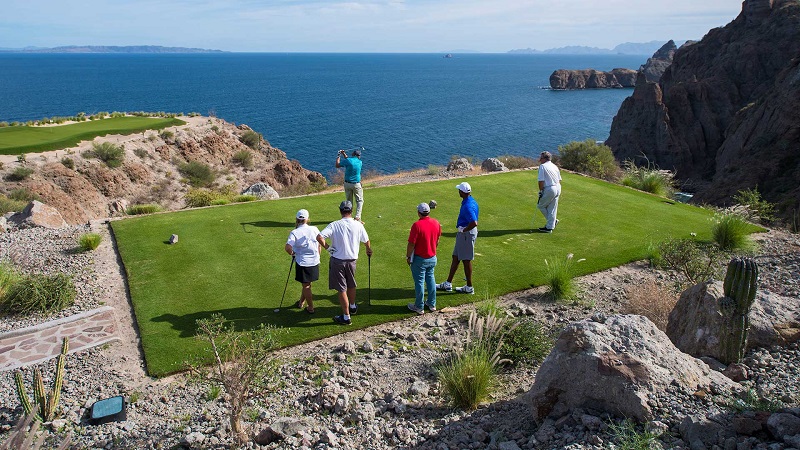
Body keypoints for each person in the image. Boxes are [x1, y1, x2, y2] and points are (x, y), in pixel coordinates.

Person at [317, 200, 373, 325]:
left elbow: (319, 237)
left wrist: (328, 248)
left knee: (342, 288)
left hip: (338, 260)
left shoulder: (334, 225)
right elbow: (366, 240)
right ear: (351, 211)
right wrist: (368, 250)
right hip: (352, 260)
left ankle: (346, 317)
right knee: (351, 284)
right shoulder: (358, 224)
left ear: (340, 210)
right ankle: (352, 306)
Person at [437, 182, 478, 294]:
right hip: (464, 234)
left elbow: (474, 222)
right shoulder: (470, 200)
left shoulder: (468, 205)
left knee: (466, 260)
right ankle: (448, 283)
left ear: (463, 192)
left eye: (459, 190)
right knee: (455, 257)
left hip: (466, 234)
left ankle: (469, 287)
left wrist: (464, 230)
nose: (458, 191)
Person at [406, 202, 442, 314]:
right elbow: (437, 240)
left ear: (419, 213)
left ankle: (419, 306)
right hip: (432, 257)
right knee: (431, 279)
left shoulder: (417, 225)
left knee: (419, 282)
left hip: (420, 259)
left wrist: (408, 256)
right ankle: (431, 304)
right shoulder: (436, 223)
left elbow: (411, 243)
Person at [284, 209, 321, 314]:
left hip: (302, 262)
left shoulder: (294, 232)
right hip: (314, 261)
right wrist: (318, 256)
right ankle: (301, 302)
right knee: (307, 284)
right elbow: (319, 244)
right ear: (307, 219)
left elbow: (287, 247)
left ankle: (311, 307)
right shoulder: (315, 229)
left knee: (306, 285)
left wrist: (293, 254)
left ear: (297, 219)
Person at [336, 148, 364, 222]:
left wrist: (338, 155)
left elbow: (337, 165)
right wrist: (344, 154)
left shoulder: (349, 161)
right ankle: (357, 218)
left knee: (349, 202)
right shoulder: (360, 162)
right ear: (358, 156)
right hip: (356, 184)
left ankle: (348, 218)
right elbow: (349, 161)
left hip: (347, 184)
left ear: (353, 154)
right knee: (359, 201)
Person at [537, 151, 562, 233]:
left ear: (544, 158)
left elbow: (541, 181)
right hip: (558, 187)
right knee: (552, 208)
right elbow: (559, 179)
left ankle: (552, 222)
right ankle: (549, 227)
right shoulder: (554, 166)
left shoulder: (542, 166)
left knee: (541, 205)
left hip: (550, 188)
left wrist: (541, 191)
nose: (540, 159)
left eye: (541, 158)